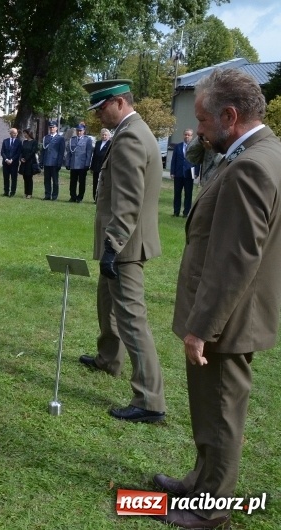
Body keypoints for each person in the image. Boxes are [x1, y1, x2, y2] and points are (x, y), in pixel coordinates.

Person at [150, 68, 281, 529]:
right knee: (210, 406)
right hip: (233, 314)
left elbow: (235, 261)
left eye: (204, 121)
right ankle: (201, 480)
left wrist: (202, 327)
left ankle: (211, 509)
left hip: (227, 319)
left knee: (223, 412)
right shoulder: (260, 153)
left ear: (230, 116)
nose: (200, 130)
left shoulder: (250, 166)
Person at [78, 79, 166, 423]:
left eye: (101, 109)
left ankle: (150, 400)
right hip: (122, 242)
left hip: (125, 244)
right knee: (107, 303)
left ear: (118, 103)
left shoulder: (130, 136)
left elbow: (128, 200)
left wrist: (112, 246)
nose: (99, 116)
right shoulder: (137, 131)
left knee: (132, 319)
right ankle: (108, 359)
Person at [170, 129, 200, 217]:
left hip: (189, 174)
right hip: (178, 173)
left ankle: (186, 213)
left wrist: (196, 172)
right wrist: (172, 172)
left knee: (188, 194)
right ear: (183, 135)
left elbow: (197, 161)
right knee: (177, 193)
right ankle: (176, 212)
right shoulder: (178, 146)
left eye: (189, 135)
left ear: (192, 136)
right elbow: (173, 160)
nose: (187, 136)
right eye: (185, 135)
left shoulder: (194, 147)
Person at [65, 124, 93, 202]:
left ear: (84, 131)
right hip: (73, 164)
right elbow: (69, 153)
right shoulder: (72, 139)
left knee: (82, 182)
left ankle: (80, 197)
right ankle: (73, 196)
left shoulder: (87, 140)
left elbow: (89, 153)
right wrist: (67, 163)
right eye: (78, 130)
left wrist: (87, 164)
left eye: (80, 131)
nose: (79, 132)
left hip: (82, 165)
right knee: (73, 182)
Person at [41, 121, 65, 200]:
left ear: (56, 128)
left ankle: (54, 196)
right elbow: (43, 151)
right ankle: (47, 195)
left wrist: (59, 163)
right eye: (50, 127)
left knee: (55, 181)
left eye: (53, 127)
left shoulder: (60, 138)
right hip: (47, 162)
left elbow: (61, 152)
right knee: (46, 180)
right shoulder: (46, 137)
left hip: (55, 162)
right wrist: (41, 161)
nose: (52, 129)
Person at [90, 128, 110, 201]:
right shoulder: (98, 143)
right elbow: (94, 155)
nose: (104, 136)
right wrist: (92, 167)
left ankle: (101, 198)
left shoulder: (110, 144)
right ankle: (95, 197)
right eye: (103, 135)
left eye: (105, 135)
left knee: (102, 184)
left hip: (104, 167)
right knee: (95, 182)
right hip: (96, 166)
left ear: (108, 136)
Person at [0, 127, 21, 197]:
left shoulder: (19, 142)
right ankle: (6, 191)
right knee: (6, 178)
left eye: (16, 133)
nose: (15, 134)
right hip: (6, 163)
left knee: (14, 178)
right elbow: (2, 152)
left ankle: (12, 192)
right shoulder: (5, 141)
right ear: (10, 133)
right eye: (14, 133)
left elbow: (18, 153)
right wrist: (6, 159)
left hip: (14, 163)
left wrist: (12, 160)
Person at [17, 128, 38, 199]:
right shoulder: (24, 142)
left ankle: (30, 193)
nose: (24, 135)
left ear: (29, 134)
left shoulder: (34, 142)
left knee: (29, 178)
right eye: (24, 133)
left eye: (25, 133)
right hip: (24, 163)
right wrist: (21, 158)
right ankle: (25, 192)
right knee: (25, 177)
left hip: (30, 162)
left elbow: (33, 152)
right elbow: (21, 151)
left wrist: (26, 159)